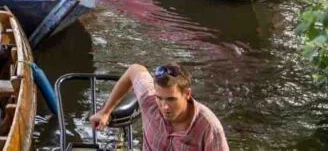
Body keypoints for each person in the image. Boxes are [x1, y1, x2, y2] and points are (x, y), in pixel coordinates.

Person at [90, 63, 228, 151]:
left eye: (171, 100)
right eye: (159, 98)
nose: (164, 107)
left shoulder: (209, 127)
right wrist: (105, 112)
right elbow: (134, 70)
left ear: (186, 94)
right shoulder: (149, 99)